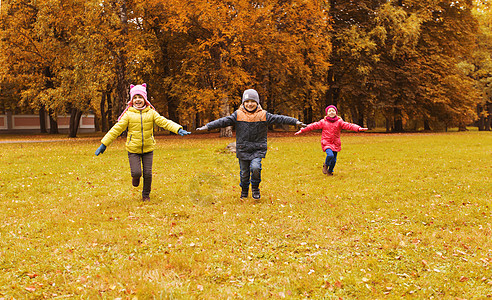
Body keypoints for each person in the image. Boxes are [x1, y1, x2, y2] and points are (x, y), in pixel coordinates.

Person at [197, 89, 305, 200]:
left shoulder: (263, 115)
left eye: (252, 101)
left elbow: (280, 118)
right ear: (243, 103)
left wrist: (295, 122)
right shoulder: (238, 115)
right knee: (244, 173)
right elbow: (223, 121)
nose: (250, 104)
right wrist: (207, 126)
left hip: (258, 148)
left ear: (257, 102)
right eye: (247, 101)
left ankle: (255, 188)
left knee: (255, 168)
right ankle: (244, 190)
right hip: (243, 148)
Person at [95, 83, 190, 201]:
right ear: (131, 100)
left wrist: (178, 129)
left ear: (145, 99)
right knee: (136, 172)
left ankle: (146, 195)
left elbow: (164, 122)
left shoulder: (151, 113)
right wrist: (104, 144)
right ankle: (135, 177)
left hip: (148, 148)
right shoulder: (128, 114)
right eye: (135, 97)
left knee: (148, 174)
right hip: (133, 149)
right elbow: (116, 129)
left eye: (140, 97)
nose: (138, 100)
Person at [295, 105, 368, 175]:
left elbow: (349, 125)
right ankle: (326, 165)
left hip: (336, 143)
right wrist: (303, 130)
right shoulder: (323, 122)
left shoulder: (339, 122)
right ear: (327, 113)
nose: (331, 112)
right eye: (329, 111)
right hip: (326, 142)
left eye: (333, 110)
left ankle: (330, 171)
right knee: (330, 155)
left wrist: (358, 128)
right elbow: (313, 126)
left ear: (336, 112)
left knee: (334, 160)